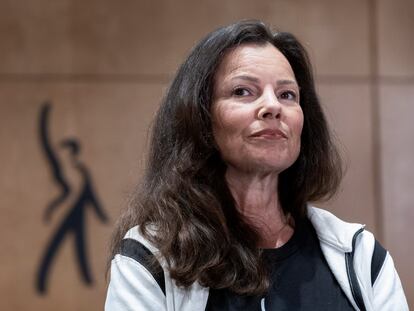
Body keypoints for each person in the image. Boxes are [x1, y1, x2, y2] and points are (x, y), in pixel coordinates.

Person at [105, 20, 408, 310]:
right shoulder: (150, 257)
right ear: (201, 119)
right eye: (242, 91)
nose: (273, 107)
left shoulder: (362, 258)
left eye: (287, 94)